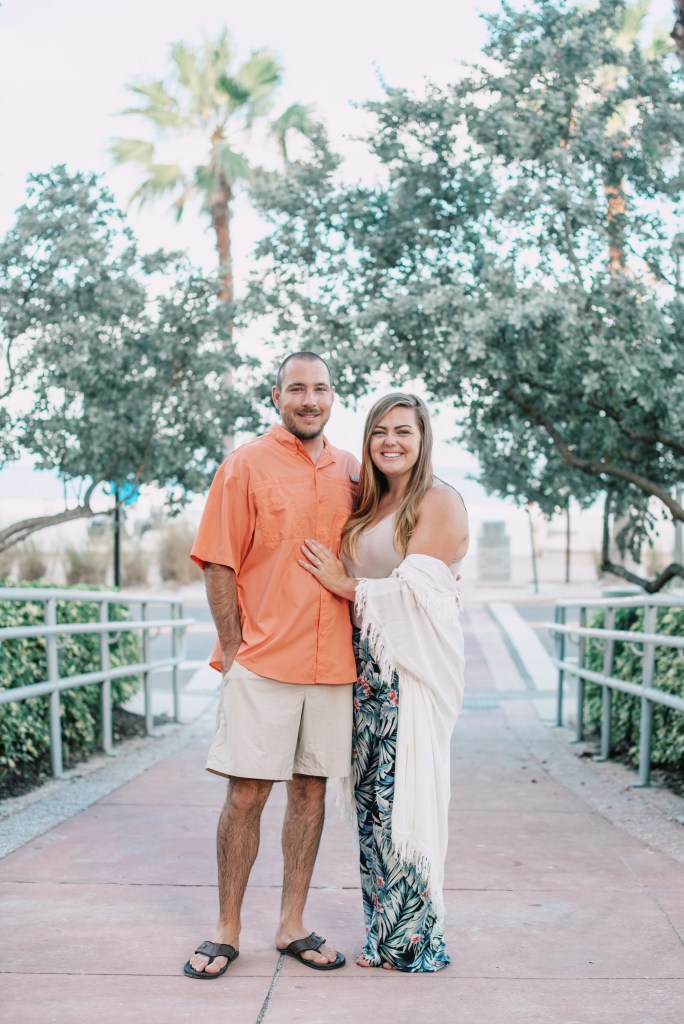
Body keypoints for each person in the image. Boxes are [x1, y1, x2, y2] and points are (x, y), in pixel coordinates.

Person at [184, 352, 359, 979]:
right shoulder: (245, 465)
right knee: (247, 792)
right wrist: (234, 650)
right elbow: (218, 560)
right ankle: (226, 929)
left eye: (320, 389)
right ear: (276, 396)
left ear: (333, 396)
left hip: (334, 664)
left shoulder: (352, 470)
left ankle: (291, 924)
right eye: (297, 389)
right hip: (264, 660)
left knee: (311, 792)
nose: (309, 400)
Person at [298, 392, 468, 972]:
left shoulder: (438, 500)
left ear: (422, 440)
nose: (390, 441)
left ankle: (415, 943)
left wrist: (341, 584)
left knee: (404, 802)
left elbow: (417, 593)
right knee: (372, 807)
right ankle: (384, 935)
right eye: (379, 432)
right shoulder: (372, 504)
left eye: (403, 431)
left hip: (407, 675)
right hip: (362, 674)